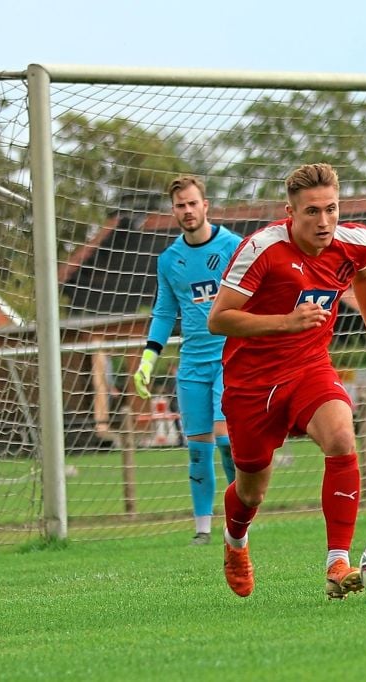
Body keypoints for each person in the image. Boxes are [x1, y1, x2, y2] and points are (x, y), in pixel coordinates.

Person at [207, 162, 366, 599]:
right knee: (251, 490)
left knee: (341, 438)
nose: (324, 221)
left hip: (310, 367)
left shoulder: (356, 242)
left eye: (331, 209)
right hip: (251, 383)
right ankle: (235, 542)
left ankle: (337, 563)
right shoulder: (262, 250)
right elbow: (219, 320)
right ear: (290, 211)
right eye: (312, 211)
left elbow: (364, 276)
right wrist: (286, 322)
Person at [134, 175, 242, 545]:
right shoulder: (169, 260)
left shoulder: (234, 246)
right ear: (174, 210)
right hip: (192, 366)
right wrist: (148, 360)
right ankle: (202, 530)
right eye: (180, 205)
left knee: (226, 441)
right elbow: (164, 312)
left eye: (193, 203)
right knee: (198, 450)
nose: (187, 210)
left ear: (206, 205)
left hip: (232, 359)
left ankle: (240, 519)